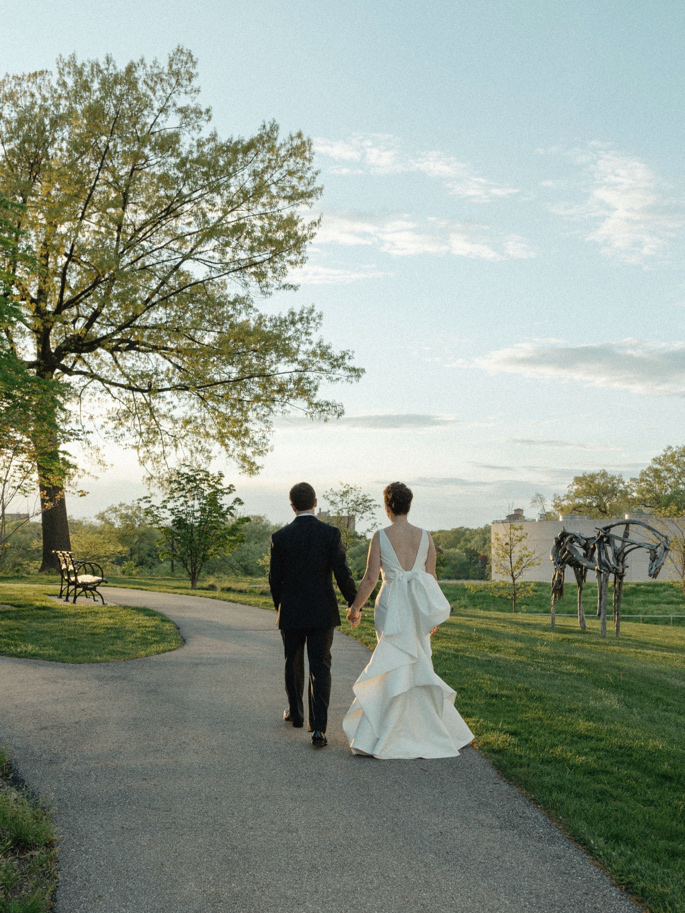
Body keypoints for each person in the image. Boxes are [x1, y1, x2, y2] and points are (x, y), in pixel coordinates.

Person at [342, 482, 474, 759]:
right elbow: (431, 579)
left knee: (391, 661)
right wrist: (432, 612)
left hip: (391, 604)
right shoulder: (425, 536)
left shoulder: (380, 536)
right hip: (416, 605)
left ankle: (384, 733)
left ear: (388, 508)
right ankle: (423, 731)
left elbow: (369, 579)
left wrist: (355, 608)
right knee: (417, 662)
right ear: (408, 506)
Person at [269, 482, 358, 748]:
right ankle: (319, 729)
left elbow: (275, 580)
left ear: (292, 505)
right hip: (322, 612)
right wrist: (355, 603)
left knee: (292, 662)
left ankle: (296, 715)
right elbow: (342, 572)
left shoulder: (280, 536)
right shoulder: (330, 534)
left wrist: (279, 606)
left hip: (292, 611)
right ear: (315, 502)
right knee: (321, 667)